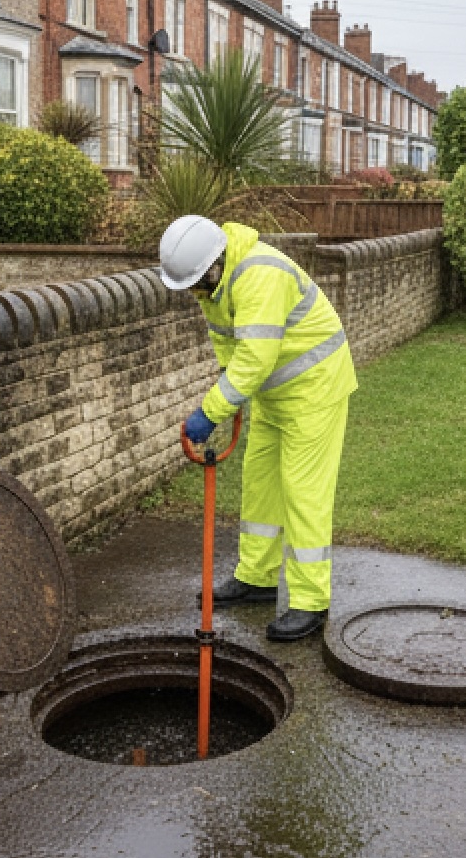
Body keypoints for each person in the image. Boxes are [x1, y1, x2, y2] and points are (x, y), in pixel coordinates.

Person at [159, 216, 358, 641]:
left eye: (196, 283)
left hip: (315, 389)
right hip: (274, 393)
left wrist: (210, 411)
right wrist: (232, 393)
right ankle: (257, 578)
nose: (194, 293)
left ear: (214, 263)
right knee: (260, 483)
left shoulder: (259, 275)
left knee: (303, 491)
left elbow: (254, 359)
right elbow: (230, 348)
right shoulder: (213, 284)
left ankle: (309, 601)